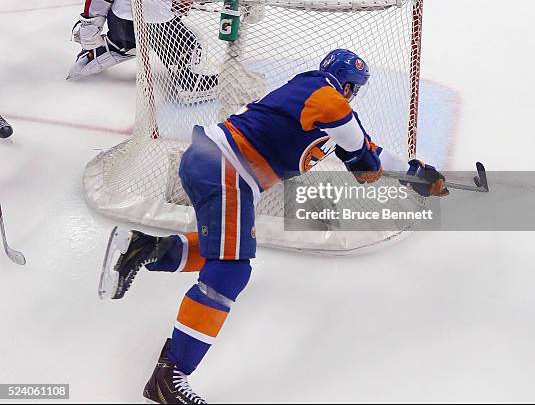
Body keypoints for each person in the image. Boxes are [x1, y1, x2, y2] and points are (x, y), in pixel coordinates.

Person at [99, 48, 449, 404]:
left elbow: (371, 151)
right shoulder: (324, 96)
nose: (352, 94)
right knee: (231, 270)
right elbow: (363, 159)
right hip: (225, 167)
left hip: (217, 167)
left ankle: (144, 247)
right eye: (354, 88)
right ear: (348, 85)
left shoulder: (324, 110)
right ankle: (169, 377)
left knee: (221, 254)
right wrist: (367, 164)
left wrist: (416, 173)